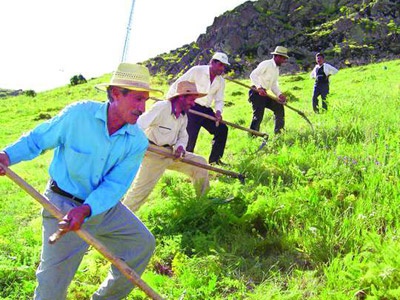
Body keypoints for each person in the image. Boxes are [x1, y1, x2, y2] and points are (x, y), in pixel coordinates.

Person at [0, 63, 163, 299]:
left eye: (145, 100)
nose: (142, 108)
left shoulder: (136, 140)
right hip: (62, 206)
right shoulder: (79, 116)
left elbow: (115, 185)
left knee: (141, 244)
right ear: (116, 94)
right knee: (52, 284)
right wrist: (7, 156)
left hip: (102, 208)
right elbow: (38, 140)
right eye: (138, 99)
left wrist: (87, 209)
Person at [123, 81, 210, 211]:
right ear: (181, 97)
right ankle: (121, 217)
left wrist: (180, 147)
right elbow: (139, 125)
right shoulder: (162, 107)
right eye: (191, 100)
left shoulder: (183, 116)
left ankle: (203, 204)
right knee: (141, 191)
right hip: (153, 153)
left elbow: (183, 136)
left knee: (200, 163)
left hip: (171, 152)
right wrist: (138, 143)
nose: (193, 103)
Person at [166, 52, 230, 165]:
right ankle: (185, 162)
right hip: (192, 107)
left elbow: (219, 99)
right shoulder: (196, 71)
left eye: (224, 66)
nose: (222, 68)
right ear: (212, 62)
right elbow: (178, 84)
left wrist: (218, 112)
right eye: (221, 65)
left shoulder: (221, 81)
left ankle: (215, 160)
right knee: (189, 137)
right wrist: (170, 101)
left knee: (222, 129)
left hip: (206, 110)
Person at [248, 46, 289, 134]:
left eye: (285, 59)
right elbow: (253, 75)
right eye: (283, 58)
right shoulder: (266, 64)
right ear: (277, 56)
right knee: (258, 115)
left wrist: (279, 95)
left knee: (279, 107)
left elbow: (273, 84)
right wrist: (259, 88)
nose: (284, 61)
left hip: (264, 93)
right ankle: (253, 136)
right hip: (256, 92)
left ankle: (279, 133)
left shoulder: (276, 69)